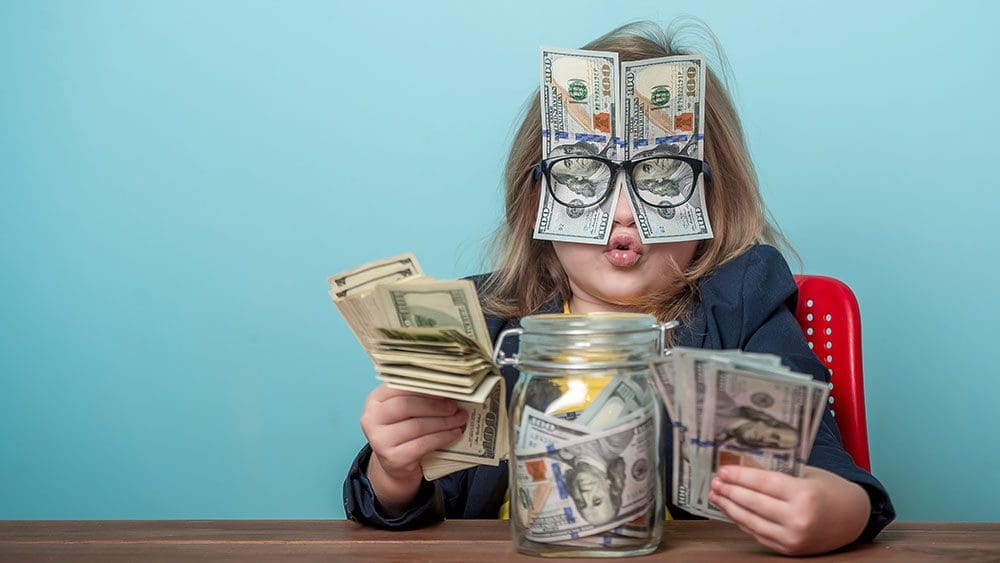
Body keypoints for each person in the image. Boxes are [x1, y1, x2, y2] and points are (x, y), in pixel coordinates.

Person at [345, 20, 895, 555]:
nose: (624, 212)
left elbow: (828, 471)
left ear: (711, 198)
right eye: (583, 175)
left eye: (661, 176)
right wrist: (394, 471)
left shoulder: (742, 307)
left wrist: (837, 511)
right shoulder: (485, 323)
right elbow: (409, 508)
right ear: (536, 198)